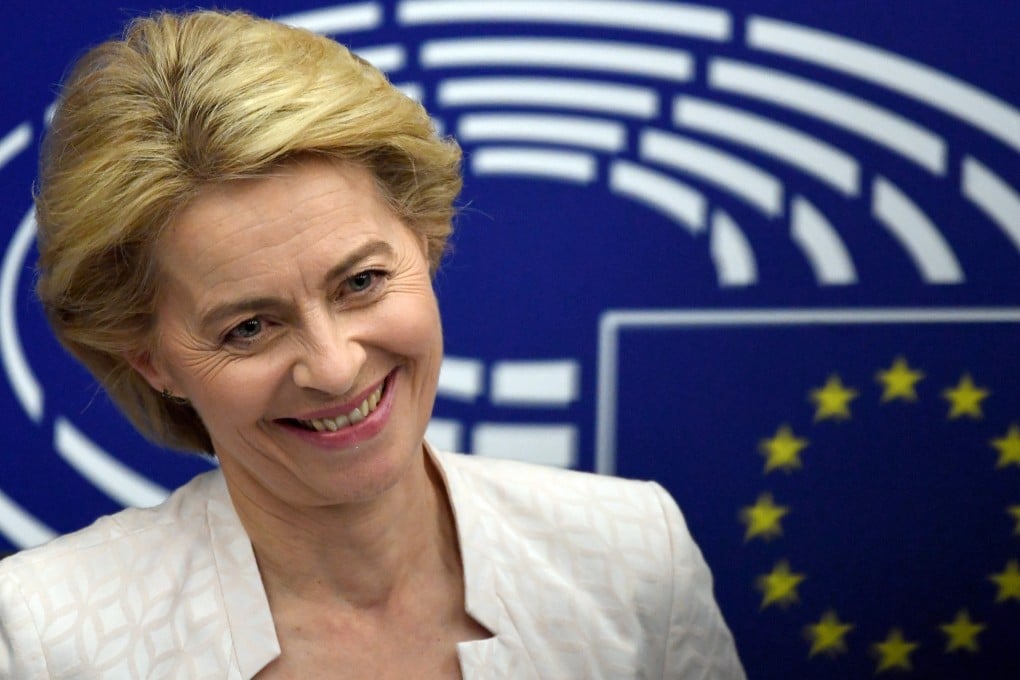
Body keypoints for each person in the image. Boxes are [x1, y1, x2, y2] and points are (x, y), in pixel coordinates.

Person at [0, 9, 743, 678]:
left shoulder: (633, 555)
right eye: (249, 328)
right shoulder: (45, 642)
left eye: (360, 282)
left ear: (426, 238)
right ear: (151, 359)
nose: (334, 368)